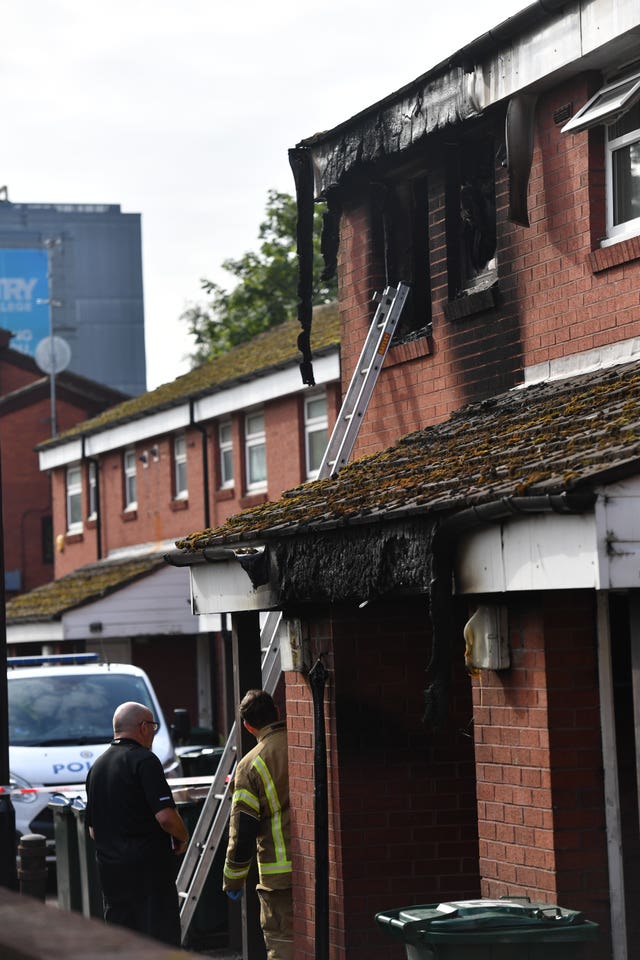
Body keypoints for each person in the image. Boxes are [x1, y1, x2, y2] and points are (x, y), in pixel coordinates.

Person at [84, 701, 189, 946]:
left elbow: (93, 830)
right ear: (143, 727)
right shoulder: (145, 760)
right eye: (152, 725)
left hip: (111, 875)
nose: (153, 731)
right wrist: (183, 837)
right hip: (149, 875)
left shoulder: (97, 767)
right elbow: (165, 817)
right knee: (159, 942)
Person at [223, 689, 292, 960]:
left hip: (279, 877)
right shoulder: (305, 742)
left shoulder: (250, 765)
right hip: (319, 867)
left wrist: (233, 880)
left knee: (284, 943)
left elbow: (242, 831)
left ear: (248, 726)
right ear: (277, 712)